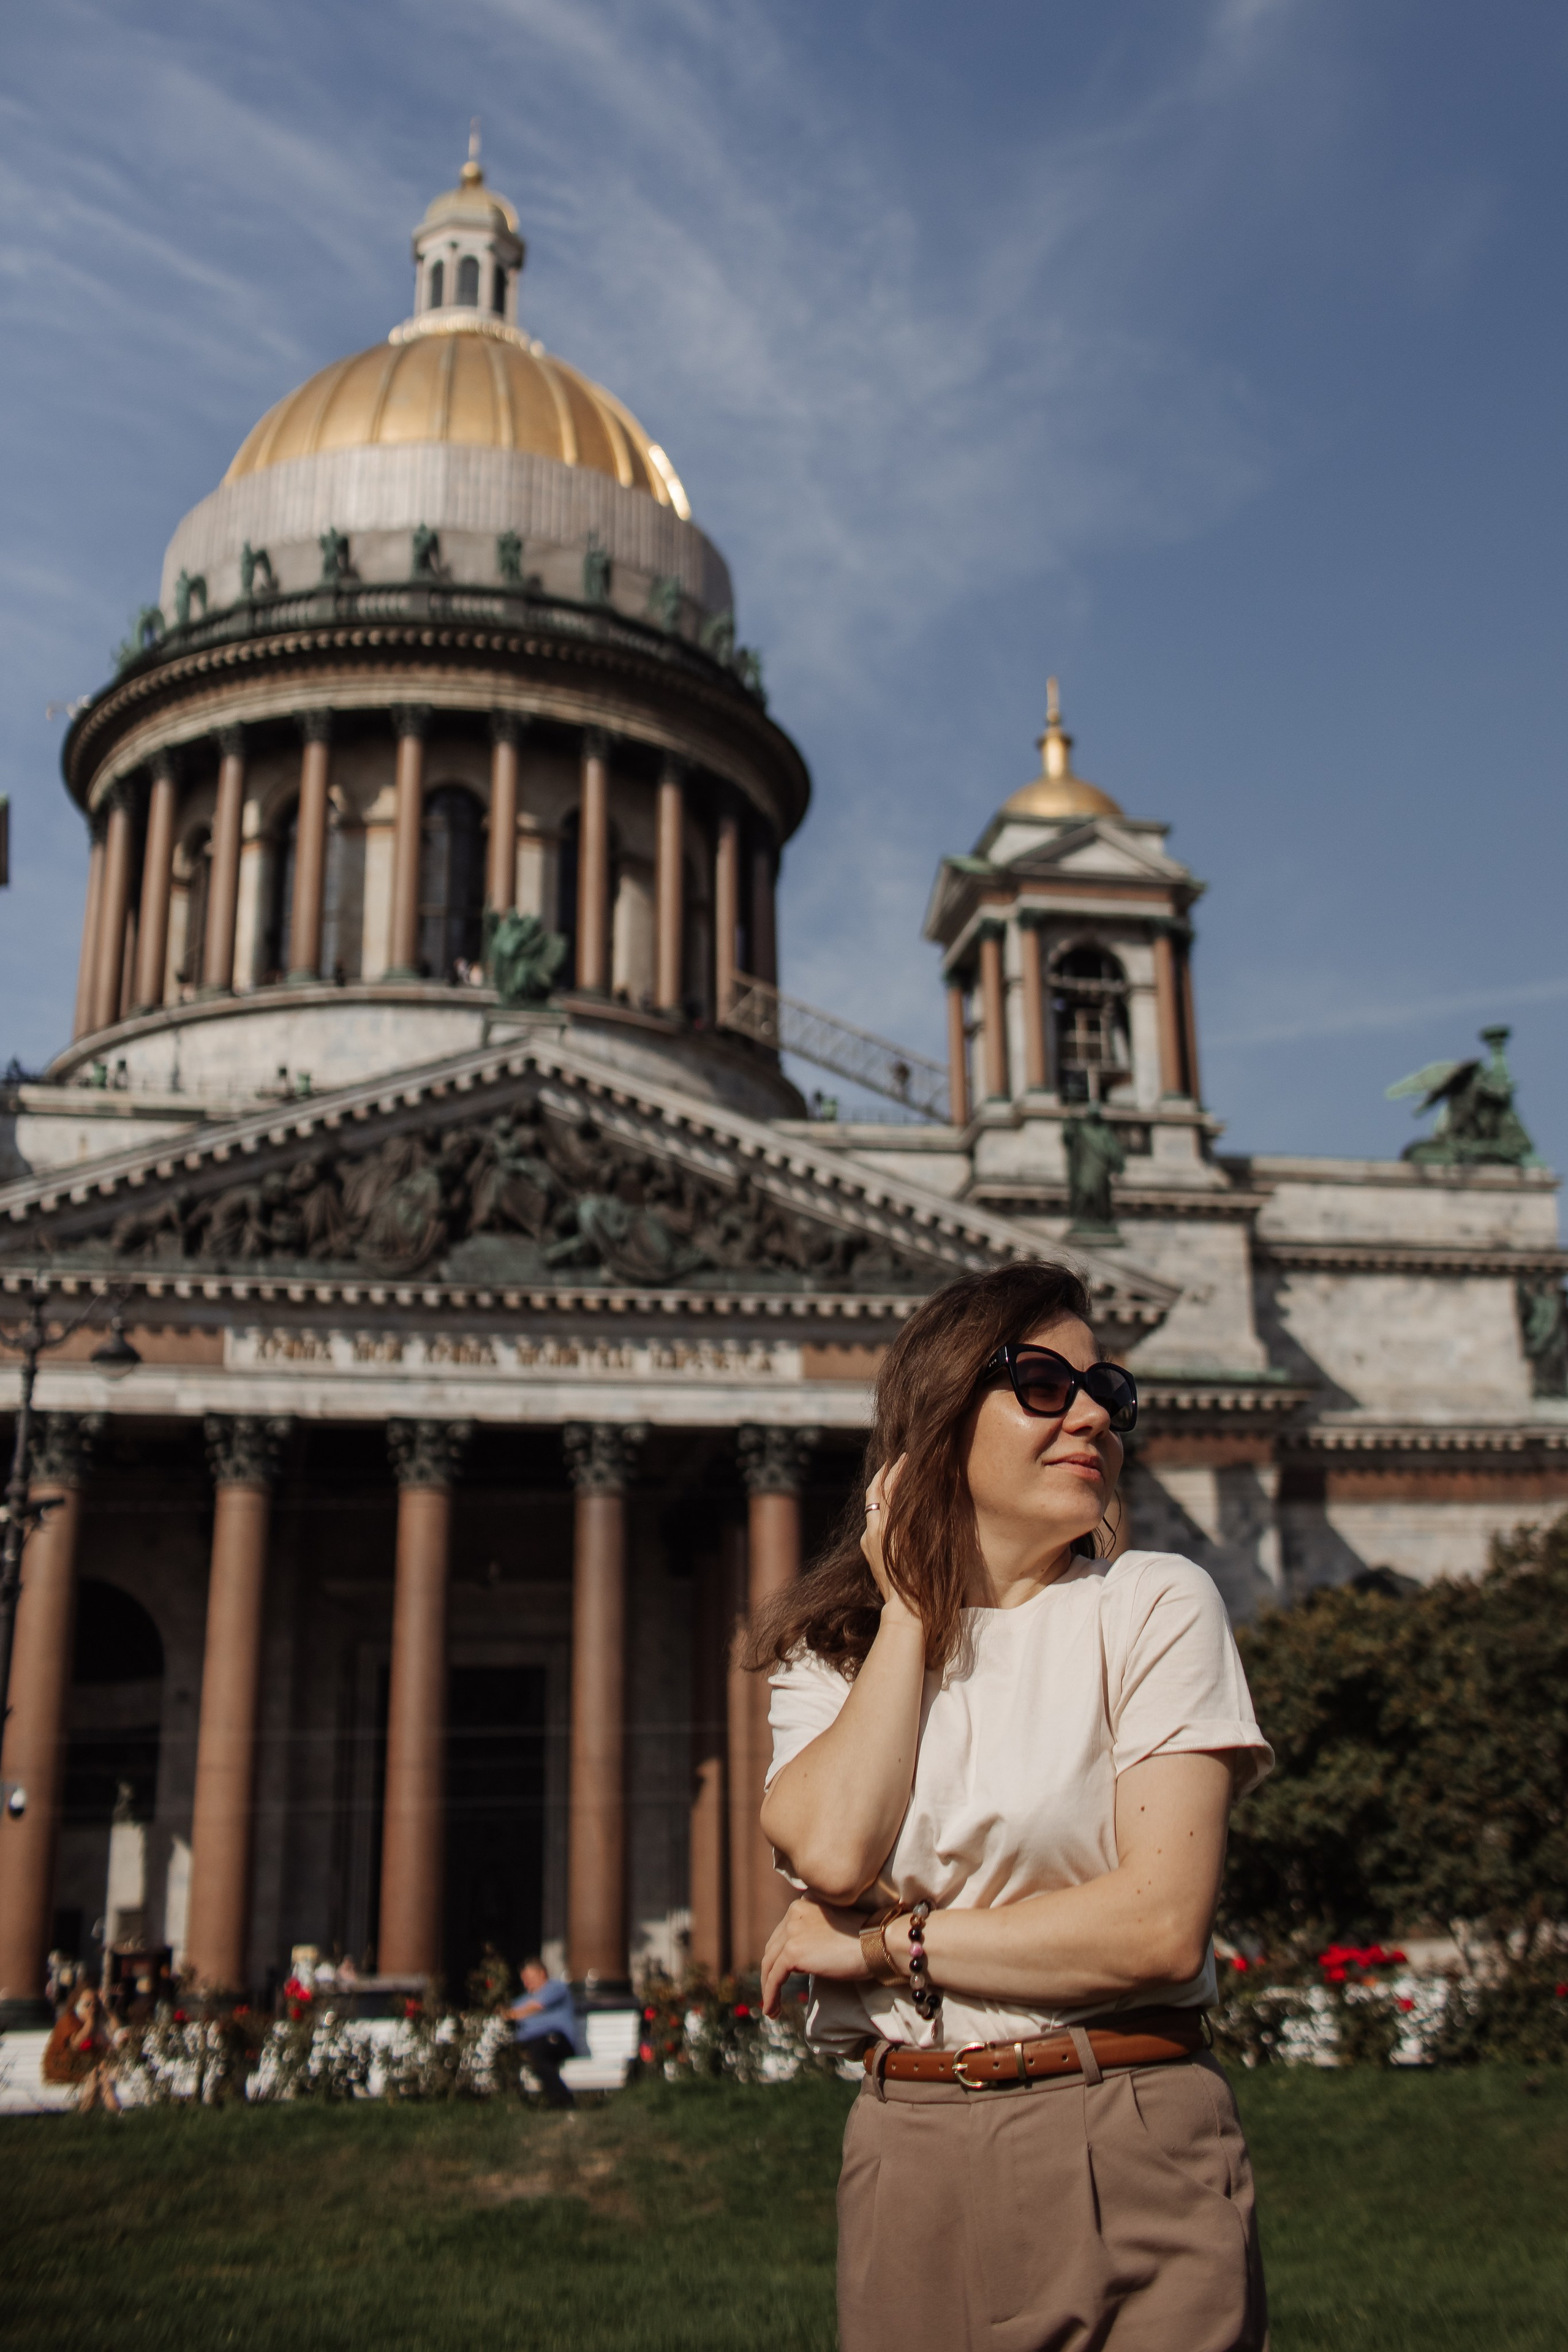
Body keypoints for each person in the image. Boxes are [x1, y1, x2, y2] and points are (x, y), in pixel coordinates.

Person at [757, 1262, 1273, 2352]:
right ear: (943, 1419)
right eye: (1044, 1384)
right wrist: (909, 1610)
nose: (1093, 1416)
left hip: (1124, 2127)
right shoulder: (832, 1659)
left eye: (1108, 1393)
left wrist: (884, 1948)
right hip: (908, 2144)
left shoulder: (1152, 1605)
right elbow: (835, 1852)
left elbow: (1155, 1927)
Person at [508, 1958, 581, 2108]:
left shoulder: (556, 1988)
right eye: (524, 1979)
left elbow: (536, 2007)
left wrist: (512, 2014)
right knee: (530, 2054)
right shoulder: (521, 2000)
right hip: (530, 2043)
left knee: (537, 2052)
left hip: (556, 2040)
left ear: (542, 1974)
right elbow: (506, 2013)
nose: (526, 1983)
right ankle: (554, 2100)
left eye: (530, 1978)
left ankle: (563, 2100)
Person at [41, 1983, 121, 2113]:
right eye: (87, 2004)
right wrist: (90, 2023)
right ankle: (89, 2111)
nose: (92, 2008)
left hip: (86, 2068)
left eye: (95, 2004)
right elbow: (75, 2046)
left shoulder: (97, 2022)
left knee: (103, 2078)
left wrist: (106, 2009)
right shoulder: (68, 2021)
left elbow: (115, 2030)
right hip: (63, 2067)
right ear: (77, 2005)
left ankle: (112, 2112)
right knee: (96, 2076)